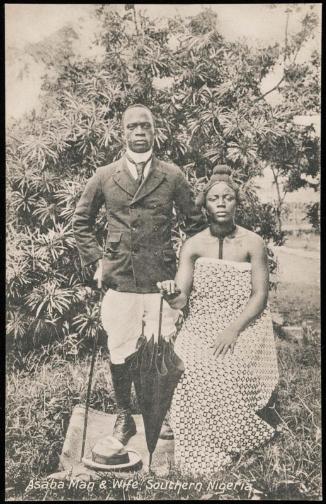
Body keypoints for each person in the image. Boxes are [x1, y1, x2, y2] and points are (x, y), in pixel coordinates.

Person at [72, 104, 206, 445]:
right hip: (120, 278)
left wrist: (182, 272)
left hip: (161, 279)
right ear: (123, 133)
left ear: (154, 130)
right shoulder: (104, 175)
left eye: (145, 126)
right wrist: (97, 264)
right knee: (120, 347)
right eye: (132, 126)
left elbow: (195, 227)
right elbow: (81, 223)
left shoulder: (172, 175)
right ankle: (122, 416)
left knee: (159, 348)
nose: (139, 132)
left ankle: (155, 415)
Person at [157, 165, 279, 475]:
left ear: (238, 202)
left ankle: (233, 439)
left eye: (228, 197)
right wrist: (172, 294)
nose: (221, 203)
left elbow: (260, 295)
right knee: (187, 366)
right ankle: (199, 444)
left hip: (245, 324)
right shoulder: (194, 245)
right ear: (205, 205)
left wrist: (232, 330)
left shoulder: (253, 243)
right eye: (214, 198)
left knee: (223, 368)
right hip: (200, 324)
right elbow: (182, 299)